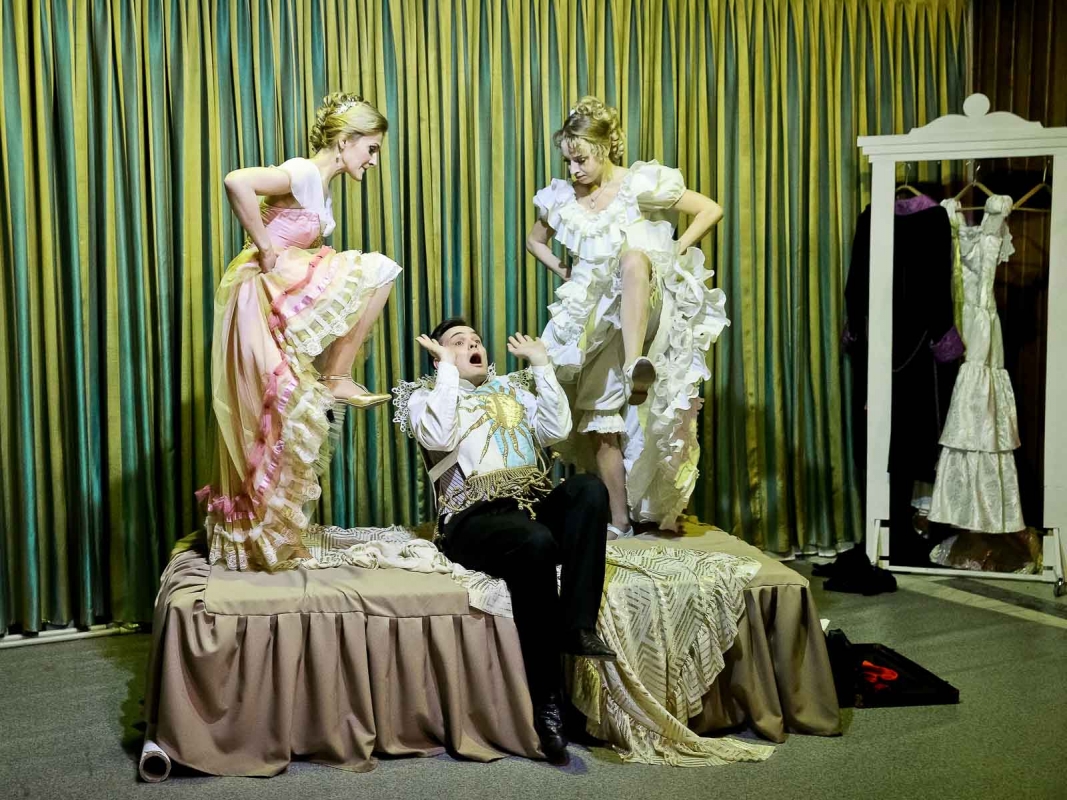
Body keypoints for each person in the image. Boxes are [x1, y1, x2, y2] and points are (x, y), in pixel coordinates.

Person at [393, 318, 616, 765]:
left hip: (529, 504)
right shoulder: (425, 397)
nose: (472, 344)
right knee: (535, 542)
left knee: (589, 489)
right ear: (439, 356)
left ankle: (577, 627)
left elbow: (556, 431)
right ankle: (547, 703)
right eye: (458, 342)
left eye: (476, 340)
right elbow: (438, 436)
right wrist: (446, 371)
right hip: (472, 519)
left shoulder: (512, 390)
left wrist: (542, 366)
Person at [197, 92, 401, 571]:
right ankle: (337, 376)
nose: (373, 161)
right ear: (345, 141)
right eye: (370, 148)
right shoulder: (305, 171)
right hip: (260, 295)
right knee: (378, 270)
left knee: (284, 415)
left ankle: (269, 541)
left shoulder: (321, 188)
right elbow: (236, 181)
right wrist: (265, 247)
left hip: (274, 294)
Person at [525, 96, 729, 538]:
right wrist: (564, 270)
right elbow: (534, 240)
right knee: (600, 419)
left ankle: (637, 363)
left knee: (634, 258)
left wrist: (675, 251)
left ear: (604, 149)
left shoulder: (638, 184)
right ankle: (620, 520)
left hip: (647, 301)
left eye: (581, 159)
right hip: (599, 314)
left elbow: (709, 209)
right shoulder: (563, 198)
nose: (574, 170)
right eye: (568, 161)